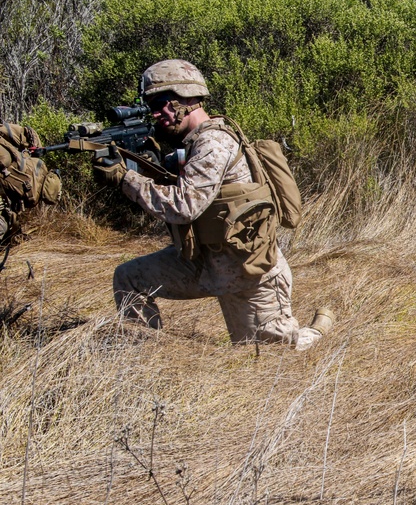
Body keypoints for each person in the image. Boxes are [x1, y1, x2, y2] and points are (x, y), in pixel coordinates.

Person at [93, 59, 331, 349]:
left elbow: (184, 207)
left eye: (159, 104)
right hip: (204, 261)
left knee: (271, 357)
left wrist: (125, 179)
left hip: (248, 272)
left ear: (185, 99)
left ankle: (316, 333)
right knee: (130, 278)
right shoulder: (193, 143)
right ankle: (145, 356)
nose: (155, 114)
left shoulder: (213, 143)